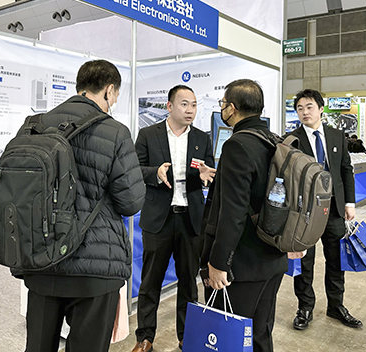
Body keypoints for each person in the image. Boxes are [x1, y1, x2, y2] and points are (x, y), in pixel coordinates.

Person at [22, 60, 146, 352]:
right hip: (95, 266)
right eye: (115, 96)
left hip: (42, 257)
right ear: (109, 90)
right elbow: (131, 202)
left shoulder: (34, 125)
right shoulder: (115, 132)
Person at [201, 79, 299, 352]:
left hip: (242, 265)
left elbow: (232, 212)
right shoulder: (276, 142)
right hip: (273, 257)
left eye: (223, 104)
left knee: (228, 338)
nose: (222, 109)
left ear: (231, 108)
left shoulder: (237, 145)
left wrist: (218, 262)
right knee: (260, 333)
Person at [132, 85, 216, 352]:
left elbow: (208, 170)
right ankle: (145, 337)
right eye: (184, 104)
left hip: (190, 219)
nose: (190, 110)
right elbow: (135, 170)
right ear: (169, 106)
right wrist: (155, 173)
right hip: (159, 218)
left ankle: (186, 335)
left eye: (193, 104)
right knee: (150, 282)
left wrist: (205, 175)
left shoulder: (202, 138)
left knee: (189, 282)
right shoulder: (148, 135)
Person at [288, 89, 362, 330]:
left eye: (309, 107)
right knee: (304, 262)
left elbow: (345, 170)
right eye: (300, 108)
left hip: (334, 210)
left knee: (336, 260)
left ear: (321, 109)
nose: (304, 112)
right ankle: (305, 307)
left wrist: (349, 203)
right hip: (305, 214)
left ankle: (336, 305)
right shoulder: (291, 140)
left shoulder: (336, 135)